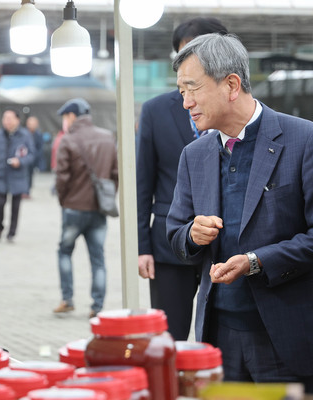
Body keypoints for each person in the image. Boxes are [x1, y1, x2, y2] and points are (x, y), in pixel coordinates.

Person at [167, 33, 313, 391]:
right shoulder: (195, 154)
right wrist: (191, 234)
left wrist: (255, 260)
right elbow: (174, 231)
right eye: (181, 91)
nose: (185, 102)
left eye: (192, 89)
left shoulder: (303, 140)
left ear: (231, 84)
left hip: (284, 335)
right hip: (217, 335)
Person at [136, 17, 228, 340]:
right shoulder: (155, 110)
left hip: (225, 248)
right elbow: (141, 183)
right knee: (168, 341)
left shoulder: (234, 107)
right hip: (167, 246)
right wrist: (141, 247)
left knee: (218, 340)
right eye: (181, 55)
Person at [53, 98, 118, 318]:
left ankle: (67, 299)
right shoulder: (107, 137)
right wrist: (107, 197)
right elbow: (115, 174)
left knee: (64, 252)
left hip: (73, 207)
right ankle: (97, 306)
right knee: (98, 258)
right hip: (99, 209)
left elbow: (61, 177)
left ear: (71, 116)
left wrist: (63, 200)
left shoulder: (68, 140)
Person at [0, 109, 34, 242]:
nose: (7, 121)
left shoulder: (25, 135)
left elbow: (31, 155)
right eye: (5, 118)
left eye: (10, 118)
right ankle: (0, 226)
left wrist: (21, 161)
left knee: (16, 206)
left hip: (17, 175)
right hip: (0, 175)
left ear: (17, 120)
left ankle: (12, 233)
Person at [25, 115, 44, 198]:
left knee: (30, 176)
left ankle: (27, 191)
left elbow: (40, 148)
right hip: (24, 159)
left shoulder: (38, 135)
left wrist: (35, 156)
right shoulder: (23, 134)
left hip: (33, 159)